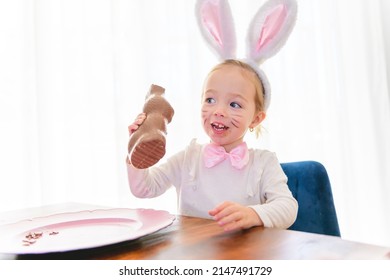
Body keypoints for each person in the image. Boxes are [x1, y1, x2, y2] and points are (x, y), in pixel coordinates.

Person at [126, 59, 298, 232]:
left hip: (243, 253)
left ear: (255, 119)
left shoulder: (263, 162)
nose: (219, 111)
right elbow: (144, 189)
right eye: (210, 100)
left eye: (234, 104)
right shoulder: (188, 158)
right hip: (195, 253)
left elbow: (288, 207)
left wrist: (253, 214)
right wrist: (134, 150)